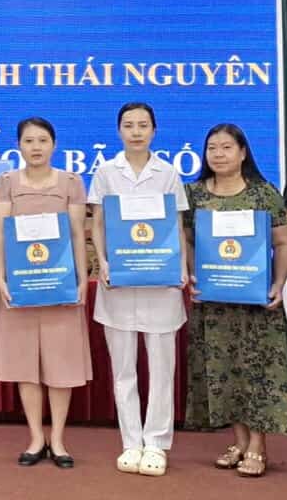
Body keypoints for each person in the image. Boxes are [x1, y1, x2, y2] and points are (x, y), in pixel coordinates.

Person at [184, 123, 287, 478]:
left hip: (256, 305)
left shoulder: (264, 194)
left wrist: (279, 283)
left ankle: (258, 446)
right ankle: (239, 441)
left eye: (226, 147)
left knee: (257, 373)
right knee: (223, 372)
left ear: (243, 152)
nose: (218, 154)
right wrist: (192, 273)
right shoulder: (195, 194)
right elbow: (186, 241)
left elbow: (283, 243)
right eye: (212, 148)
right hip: (214, 304)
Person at [88, 103, 188, 476]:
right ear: (119, 131)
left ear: (154, 130)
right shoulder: (105, 171)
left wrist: (179, 268)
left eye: (143, 125)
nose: (135, 132)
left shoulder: (168, 172)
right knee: (123, 370)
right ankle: (131, 442)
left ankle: (157, 444)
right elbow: (96, 222)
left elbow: (177, 225)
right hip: (119, 283)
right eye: (128, 125)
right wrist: (104, 262)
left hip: (161, 284)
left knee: (162, 369)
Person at [0, 116, 91, 469]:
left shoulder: (71, 183)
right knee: (25, 364)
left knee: (61, 364)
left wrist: (81, 278)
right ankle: (35, 437)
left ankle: (58, 439)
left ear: (54, 145)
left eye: (43, 140)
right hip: (21, 287)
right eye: (29, 141)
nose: (36, 147)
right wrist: (0, 277)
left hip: (60, 286)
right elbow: (1, 234)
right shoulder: (5, 183)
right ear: (19, 145)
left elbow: (78, 234)